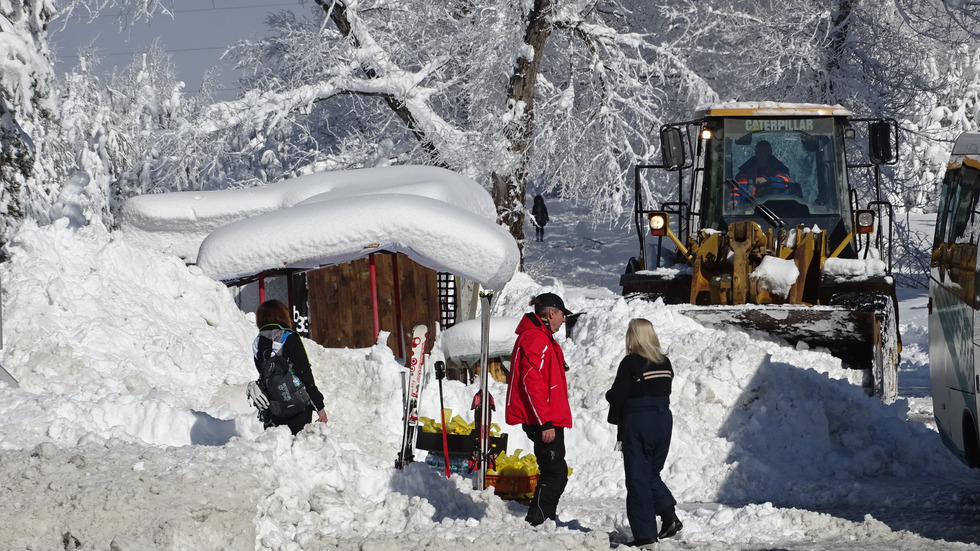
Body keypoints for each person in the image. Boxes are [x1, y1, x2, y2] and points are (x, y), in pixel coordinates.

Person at [605, 318, 681, 548]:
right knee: (650, 473)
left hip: (640, 421)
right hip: (663, 420)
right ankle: (669, 516)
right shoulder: (665, 362)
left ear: (633, 337)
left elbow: (618, 396)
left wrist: (609, 395)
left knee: (637, 479)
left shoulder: (630, 363)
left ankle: (645, 536)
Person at [505, 292, 573, 526]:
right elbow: (531, 382)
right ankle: (538, 521)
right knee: (555, 473)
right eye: (562, 315)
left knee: (553, 471)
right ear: (551, 313)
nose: (564, 320)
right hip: (543, 420)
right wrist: (545, 421)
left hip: (548, 417)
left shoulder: (543, 338)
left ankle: (543, 519)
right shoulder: (536, 338)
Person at [249, 299, 328, 434]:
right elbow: (305, 374)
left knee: (277, 449)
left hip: (273, 409)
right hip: (298, 407)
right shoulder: (290, 338)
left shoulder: (257, 343)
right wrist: (320, 408)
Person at [730, 140, 792, 205]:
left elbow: (783, 182)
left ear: (770, 153)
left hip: (777, 208)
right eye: (760, 152)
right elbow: (738, 188)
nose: (762, 155)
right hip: (751, 209)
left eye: (765, 152)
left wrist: (767, 181)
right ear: (756, 153)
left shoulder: (779, 168)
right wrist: (735, 200)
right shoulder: (746, 171)